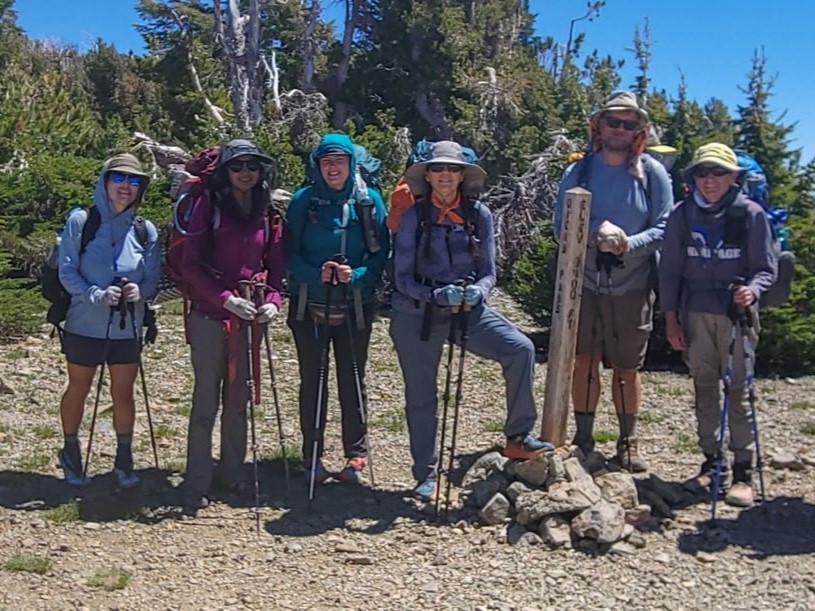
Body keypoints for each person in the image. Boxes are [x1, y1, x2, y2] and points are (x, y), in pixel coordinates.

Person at [390, 140, 553, 502]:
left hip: (468, 310)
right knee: (422, 396)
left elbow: (489, 272)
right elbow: (401, 278)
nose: (445, 175)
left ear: (462, 175)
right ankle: (425, 475)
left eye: (451, 169)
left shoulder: (479, 214)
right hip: (417, 313)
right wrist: (434, 295)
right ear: (427, 176)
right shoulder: (414, 217)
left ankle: (519, 437)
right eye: (437, 169)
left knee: (520, 349)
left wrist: (479, 291)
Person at [553, 91, 673, 472]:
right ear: (598, 126)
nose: (620, 129)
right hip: (582, 283)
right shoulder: (579, 170)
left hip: (633, 284)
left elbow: (665, 227)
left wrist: (627, 245)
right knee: (583, 360)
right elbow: (561, 227)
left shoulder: (652, 173)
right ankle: (583, 438)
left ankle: (628, 440)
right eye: (613, 122)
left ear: (639, 129)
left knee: (626, 367)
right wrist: (593, 236)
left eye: (628, 123)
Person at [659, 142, 776, 507]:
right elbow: (670, 269)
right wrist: (671, 318)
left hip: (735, 314)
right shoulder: (681, 215)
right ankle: (713, 463)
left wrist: (752, 291)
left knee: (738, 391)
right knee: (704, 387)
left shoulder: (750, 215)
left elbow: (765, 268)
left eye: (718, 173)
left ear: (733, 178)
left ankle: (743, 471)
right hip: (695, 312)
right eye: (702, 173)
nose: (710, 181)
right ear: (692, 178)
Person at [179, 139, 284, 509]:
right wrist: (225, 299)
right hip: (211, 315)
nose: (245, 173)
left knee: (239, 398)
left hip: (250, 315)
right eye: (238, 167)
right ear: (225, 171)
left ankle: (233, 473)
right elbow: (189, 264)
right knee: (206, 397)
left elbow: (274, 266)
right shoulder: (209, 206)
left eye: (252, 167)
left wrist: (272, 301)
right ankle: (196, 480)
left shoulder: (266, 211)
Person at [284, 133, 389, 486]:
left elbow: (380, 255)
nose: (332, 167)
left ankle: (355, 457)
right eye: (326, 160)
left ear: (351, 164)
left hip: (355, 305)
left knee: (352, 379)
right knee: (313, 379)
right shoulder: (303, 201)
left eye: (339, 161)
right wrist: (315, 274)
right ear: (317, 164)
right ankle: (311, 455)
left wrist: (355, 275)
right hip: (308, 303)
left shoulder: (369, 201)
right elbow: (287, 253)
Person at [57, 153, 160, 488]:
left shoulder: (145, 231)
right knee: (80, 386)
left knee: (123, 392)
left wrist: (138, 293)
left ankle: (124, 456)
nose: (126, 187)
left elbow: (152, 281)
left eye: (134, 181)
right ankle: (71, 449)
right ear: (104, 182)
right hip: (84, 322)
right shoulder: (81, 222)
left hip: (127, 325)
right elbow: (67, 271)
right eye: (119, 179)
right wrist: (96, 295)